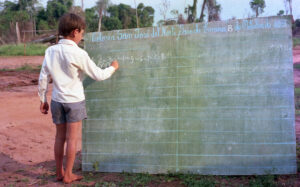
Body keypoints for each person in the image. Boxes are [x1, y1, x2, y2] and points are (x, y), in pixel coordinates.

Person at [38, 13, 119, 184]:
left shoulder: (50, 51)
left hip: (57, 101)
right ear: (75, 32)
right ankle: (68, 174)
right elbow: (98, 74)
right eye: (82, 33)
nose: (82, 36)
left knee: (59, 137)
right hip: (74, 102)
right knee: (72, 139)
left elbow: (43, 76)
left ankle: (59, 172)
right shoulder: (79, 53)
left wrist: (42, 99)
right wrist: (112, 68)